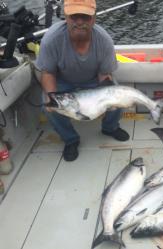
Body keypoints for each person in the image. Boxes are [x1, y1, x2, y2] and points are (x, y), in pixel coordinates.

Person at [36, 0, 129, 162]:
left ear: (93, 18)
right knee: (47, 103)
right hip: (63, 82)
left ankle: (110, 128)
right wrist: (52, 95)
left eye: (85, 17)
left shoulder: (104, 41)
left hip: (94, 80)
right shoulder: (51, 39)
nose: (79, 22)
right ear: (66, 16)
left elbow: (104, 75)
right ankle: (71, 140)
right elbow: (48, 72)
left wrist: (107, 98)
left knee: (116, 95)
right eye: (74, 16)